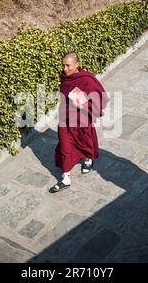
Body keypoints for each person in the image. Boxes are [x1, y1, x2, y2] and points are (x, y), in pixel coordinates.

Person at [50, 52, 109, 193]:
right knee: (65, 146)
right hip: (65, 118)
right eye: (63, 65)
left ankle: (88, 159)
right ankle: (65, 178)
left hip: (82, 119)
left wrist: (83, 106)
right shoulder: (64, 77)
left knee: (85, 141)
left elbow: (101, 98)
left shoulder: (86, 79)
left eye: (67, 65)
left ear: (77, 65)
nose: (64, 68)